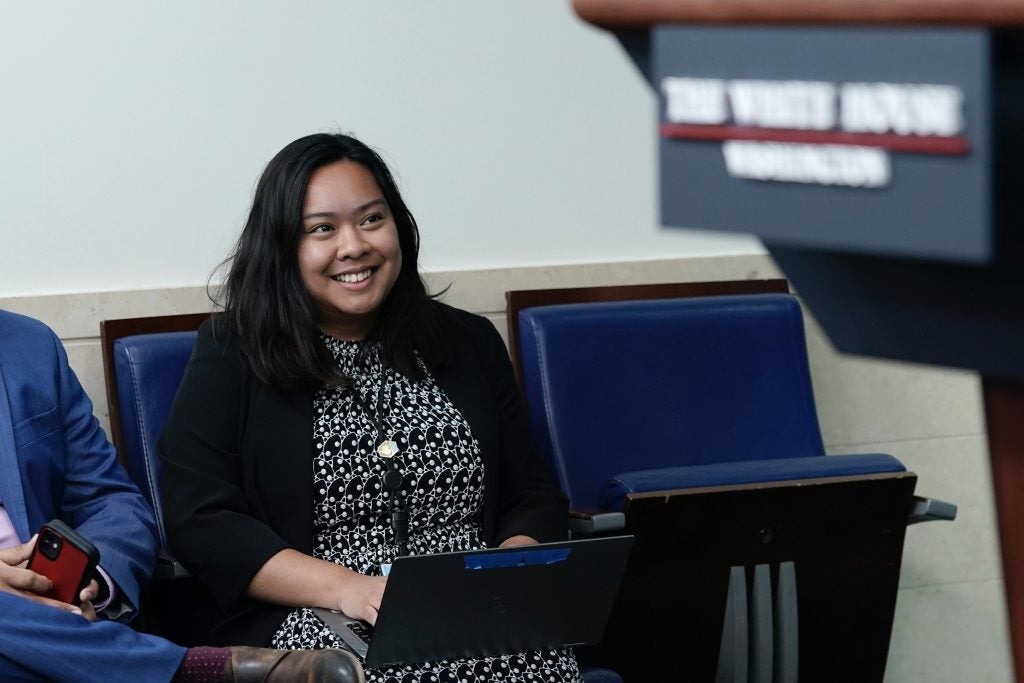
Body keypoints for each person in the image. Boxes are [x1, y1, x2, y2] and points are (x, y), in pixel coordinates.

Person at [157, 132, 580, 682]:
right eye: (322, 229)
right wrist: (350, 590)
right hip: (316, 614)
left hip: (473, 607)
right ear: (283, 248)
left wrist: (508, 570)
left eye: (371, 219)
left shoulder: (468, 342)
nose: (353, 246)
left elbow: (531, 491)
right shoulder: (233, 352)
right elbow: (200, 519)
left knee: (538, 661)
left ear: (398, 228)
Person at [0, 308, 363, 682]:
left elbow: (112, 501)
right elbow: (203, 518)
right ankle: (195, 672)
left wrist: (88, 583)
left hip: (64, 617)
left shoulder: (31, 345)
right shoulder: (229, 348)